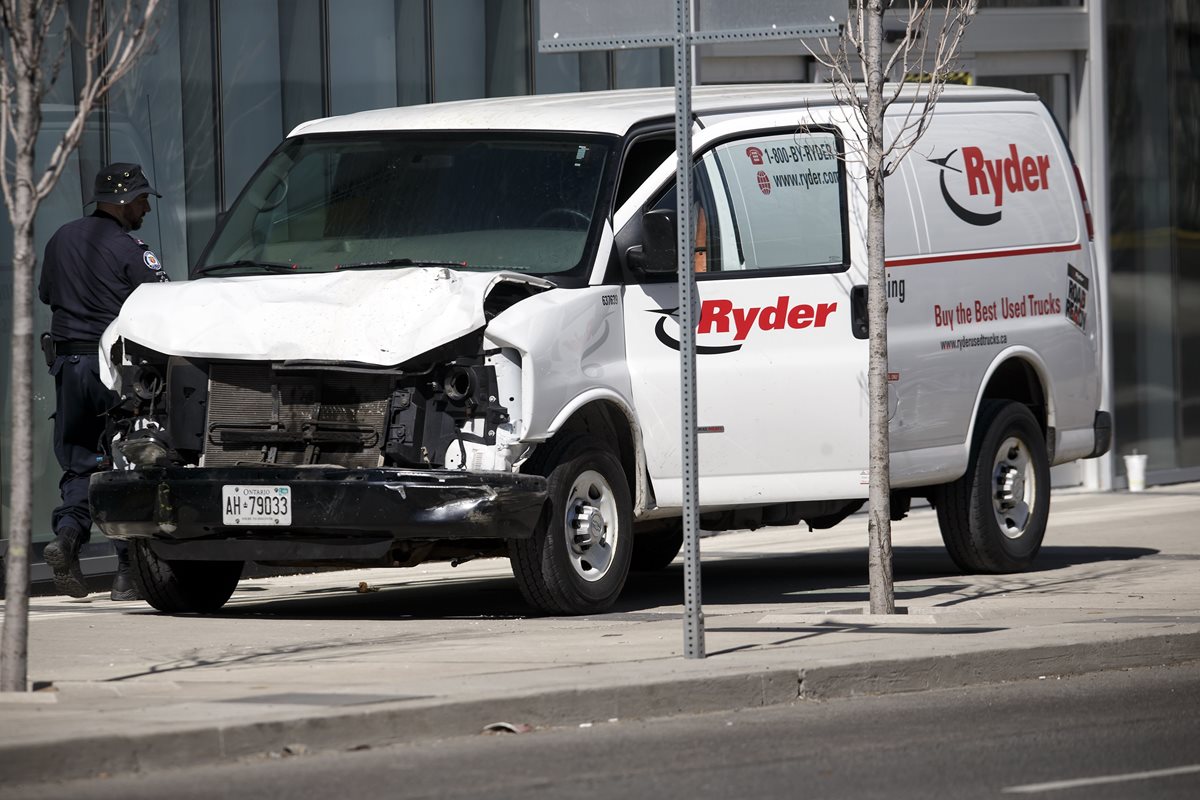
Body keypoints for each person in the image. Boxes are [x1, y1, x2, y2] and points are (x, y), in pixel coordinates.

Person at [38, 163, 169, 601]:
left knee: (80, 463)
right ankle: (127, 572)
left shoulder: (60, 239)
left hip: (68, 368)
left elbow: (47, 294)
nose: (147, 208)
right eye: (143, 200)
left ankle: (69, 539)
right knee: (122, 463)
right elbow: (159, 301)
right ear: (124, 201)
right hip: (113, 368)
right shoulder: (130, 247)